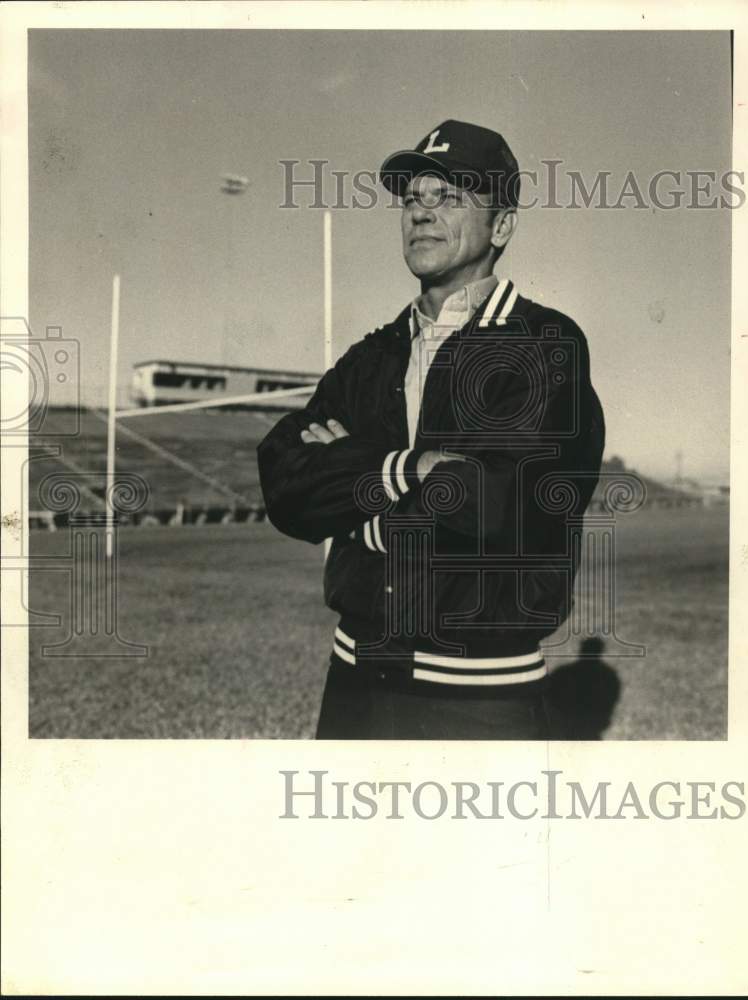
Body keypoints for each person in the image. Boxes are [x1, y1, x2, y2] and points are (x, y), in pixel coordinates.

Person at [258, 119, 604, 740]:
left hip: (479, 690)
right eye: (412, 198)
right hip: (355, 675)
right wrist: (409, 469)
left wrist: (354, 489)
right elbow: (286, 485)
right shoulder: (372, 357)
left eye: (448, 197)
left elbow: (503, 506)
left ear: (501, 226)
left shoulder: (545, 344)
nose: (421, 212)